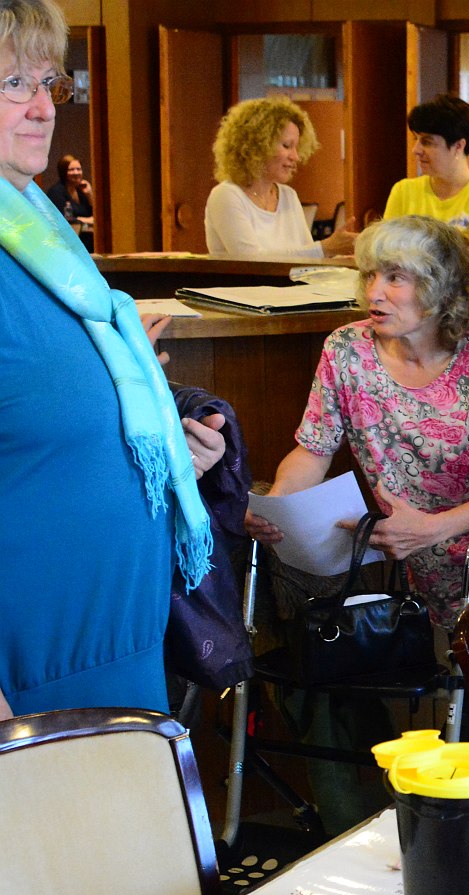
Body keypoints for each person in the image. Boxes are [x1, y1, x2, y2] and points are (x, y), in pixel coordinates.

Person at [0, 0, 224, 718]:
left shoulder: (40, 229)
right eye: (13, 83)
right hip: (30, 676)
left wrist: (167, 448)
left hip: (117, 653)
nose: (42, 108)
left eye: (48, 82)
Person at [244, 215, 469, 628]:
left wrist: (432, 529)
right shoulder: (345, 350)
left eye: (395, 277)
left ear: (438, 288)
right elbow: (312, 451)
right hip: (419, 556)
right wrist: (278, 506)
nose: (374, 292)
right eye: (370, 276)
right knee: (444, 679)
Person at [205, 96, 354, 259]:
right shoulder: (226, 195)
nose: (296, 157)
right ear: (257, 146)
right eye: (286, 146)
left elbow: (308, 259)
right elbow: (250, 260)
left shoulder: (288, 195)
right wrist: (325, 248)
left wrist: (338, 259)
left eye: (297, 147)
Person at [384, 94, 469, 244]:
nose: (416, 150)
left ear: (458, 146)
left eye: (427, 142)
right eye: (416, 139)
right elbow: (387, 249)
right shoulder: (403, 190)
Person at [44, 151, 89, 238]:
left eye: (78, 169)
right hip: (66, 238)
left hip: (85, 236)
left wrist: (90, 195)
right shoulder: (56, 192)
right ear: (63, 172)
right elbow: (62, 220)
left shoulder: (81, 191)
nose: (76, 173)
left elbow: (93, 215)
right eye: (71, 170)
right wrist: (82, 220)